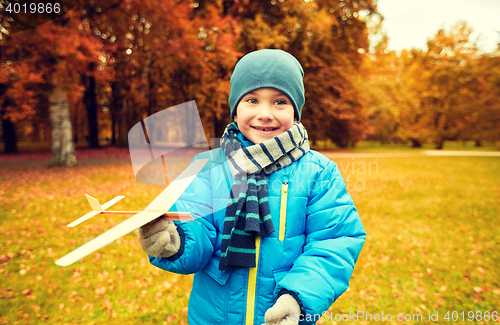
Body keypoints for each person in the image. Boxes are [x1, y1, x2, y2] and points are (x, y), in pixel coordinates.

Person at [138, 49, 366, 325]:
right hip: (213, 317)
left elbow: (334, 242)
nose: (265, 114)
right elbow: (196, 229)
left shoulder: (318, 171)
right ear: (236, 108)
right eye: (252, 100)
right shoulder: (208, 166)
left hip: (282, 316)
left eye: (280, 101)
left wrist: (297, 297)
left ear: (296, 111)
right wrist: (175, 242)